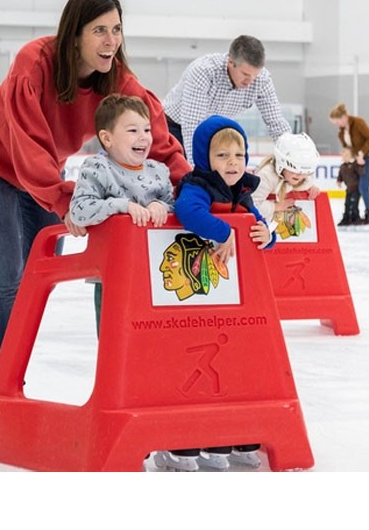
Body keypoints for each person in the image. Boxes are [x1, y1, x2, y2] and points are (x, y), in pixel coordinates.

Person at [0, 0, 190, 390]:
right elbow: (26, 142)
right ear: (74, 35)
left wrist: (191, 188)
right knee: (8, 273)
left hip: (42, 170)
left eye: (116, 29)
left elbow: (156, 138)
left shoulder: (118, 80)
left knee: (37, 276)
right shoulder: (34, 63)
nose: (111, 40)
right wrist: (66, 201)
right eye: (99, 30)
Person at [158, 114, 275, 472]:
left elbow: (257, 226)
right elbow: (188, 211)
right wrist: (224, 232)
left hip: (231, 295)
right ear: (205, 158)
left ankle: (231, 431)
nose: (232, 163)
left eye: (239, 155)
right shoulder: (198, 186)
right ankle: (189, 435)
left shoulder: (243, 191)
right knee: (196, 358)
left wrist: (267, 236)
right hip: (195, 289)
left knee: (233, 360)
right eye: (222, 155)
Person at [69, 94, 175, 332]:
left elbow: (177, 207)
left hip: (159, 275)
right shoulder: (98, 169)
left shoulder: (158, 172)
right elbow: (79, 211)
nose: (143, 137)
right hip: (113, 275)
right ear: (106, 138)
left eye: (147, 130)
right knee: (116, 339)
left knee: (155, 341)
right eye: (132, 130)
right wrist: (121, 206)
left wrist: (163, 208)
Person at [162, 35, 292, 162]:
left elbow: (276, 122)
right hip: (173, 126)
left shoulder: (262, 79)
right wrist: (195, 170)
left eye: (255, 75)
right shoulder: (204, 71)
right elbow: (192, 126)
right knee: (184, 174)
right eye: (245, 74)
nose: (250, 81)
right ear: (231, 62)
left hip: (210, 131)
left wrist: (292, 154)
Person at [251, 132, 320, 238]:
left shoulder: (301, 176)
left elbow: (304, 180)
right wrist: (276, 206)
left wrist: (311, 186)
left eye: (305, 171)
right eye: (294, 169)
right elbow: (252, 205)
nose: (299, 175)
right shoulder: (266, 176)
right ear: (281, 163)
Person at [328, 104, 369, 225]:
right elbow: (347, 148)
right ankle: (353, 214)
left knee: (363, 186)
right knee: (354, 187)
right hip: (357, 159)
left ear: (344, 117)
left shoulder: (358, 122)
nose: (337, 125)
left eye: (337, 122)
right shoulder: (341, 133)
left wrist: (361, 154)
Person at [335, 146, 366, 228]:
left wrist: (362, 165)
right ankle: (346, 218)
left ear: (351, 156)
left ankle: (355, 218)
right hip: (348, 189)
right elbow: (340, 175)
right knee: (347, 204)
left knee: (354, 204)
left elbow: (361, 173)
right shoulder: (342, 166)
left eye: (347, 155)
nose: (345, 157)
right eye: (343, 155)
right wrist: (339, 181)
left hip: (356, 189)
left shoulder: (354, 164)